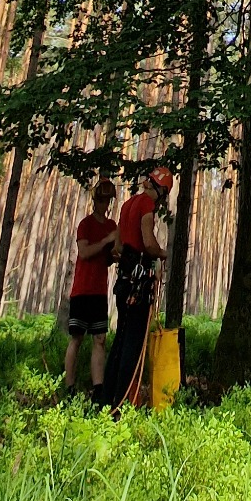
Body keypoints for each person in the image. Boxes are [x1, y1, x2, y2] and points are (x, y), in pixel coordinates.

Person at [100, 163, 173, 408]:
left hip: (124, 281)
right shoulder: (146, 205)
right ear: (160, 189)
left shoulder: (127, 205)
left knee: (120, 339)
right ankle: (121, 403)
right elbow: (148, 241)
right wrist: (162, 253)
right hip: (139, 284)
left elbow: (118, 246)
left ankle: (106, 399)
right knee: (133, 342)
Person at [63, 178, 117, 396]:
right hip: (82, 290)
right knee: (77, 338)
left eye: (108, 201)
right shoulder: (86, 224)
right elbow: (84, 252)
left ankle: (98, 388)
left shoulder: (112, 226)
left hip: (99, 291)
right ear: (96, 201)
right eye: (102, 200)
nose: (105, 205)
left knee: (100, 339)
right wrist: (106, 241)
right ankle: (69, 385)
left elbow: (110, 256)